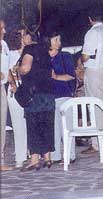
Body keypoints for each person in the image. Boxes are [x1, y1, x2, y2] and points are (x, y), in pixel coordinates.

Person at [17, 32, 55, 172]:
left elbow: (26, 68)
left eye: (23, 36)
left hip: (35, 94)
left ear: (28, 37)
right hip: (48, 93)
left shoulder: (29, 49)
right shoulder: (44, 50)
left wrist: (18, 69)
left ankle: (34, 160)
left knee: (34, 124)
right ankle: (47, 157)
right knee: (46, 123)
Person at [81, 9, 103, 153]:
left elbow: (85, 56)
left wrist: (83, 58)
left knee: (95, 106)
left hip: (95, 72)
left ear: (90, 19)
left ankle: (97, 144)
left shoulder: (92, 33)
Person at [6, 27, 35, 168]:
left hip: (31, 92)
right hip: (15, 92)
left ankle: (33, 153)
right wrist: (14, 85)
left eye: (28, 34)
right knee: (18, 126)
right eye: (25, 34)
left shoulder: (33, 52)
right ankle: (20, 157)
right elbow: (7, 70)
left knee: (31, 123)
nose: (28, 36)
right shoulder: (11, 53)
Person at [47, 31, 77, 165]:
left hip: (64, 94)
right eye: (55, 39)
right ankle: (55, 156)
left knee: (67, 126)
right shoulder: (43, 57)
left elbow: (71, 75)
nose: (58, 42)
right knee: (54, 127)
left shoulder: (65, 56)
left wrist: (56, 77)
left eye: (59, 39)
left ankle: (70, 155)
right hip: (48, 96)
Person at [0, 19, 13, 171]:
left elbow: (6, 68)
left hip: (2, 87)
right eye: (1, 28)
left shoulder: (4, 45)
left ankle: (1, 161)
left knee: (2, 124)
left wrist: (14, 84)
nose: (4, 31)